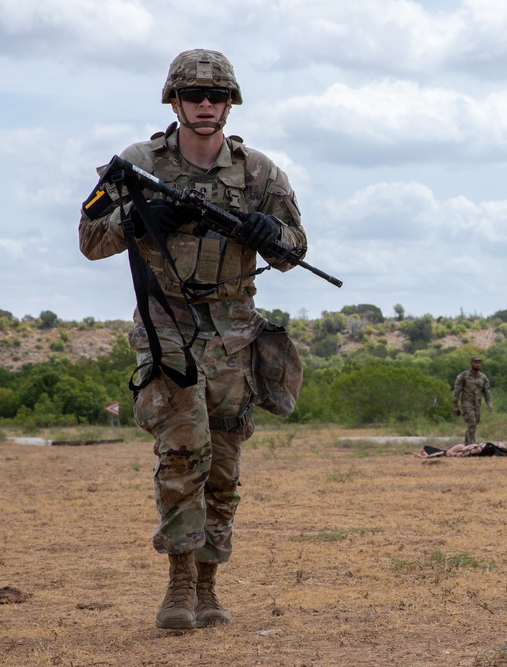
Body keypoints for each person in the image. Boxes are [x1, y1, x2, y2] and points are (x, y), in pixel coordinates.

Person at [78, 49, 306, 630]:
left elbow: (295, 251)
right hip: (166, 327)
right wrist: (145, 216)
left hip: (234, 333)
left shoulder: (259, 172)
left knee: (224, 467)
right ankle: (177, 585)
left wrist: (269, 231)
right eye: (194, 96)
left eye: (217, 97)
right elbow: (90, 239)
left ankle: (208, 587)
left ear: (230, 103)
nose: (206, 106)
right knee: (182, 451)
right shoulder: (135, 164)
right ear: (173, 100)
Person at [452, 356, 493, 445]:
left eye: (479, 362)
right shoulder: (463, 376)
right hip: (467, 403)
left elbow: (486, 391)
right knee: (472, 423)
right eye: (476, 362)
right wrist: (455, 405)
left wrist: (489, 403)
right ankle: (472, 445)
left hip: (477, 405)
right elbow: (457, 390)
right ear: (471, 364)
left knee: (474, 423)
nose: (478, 364)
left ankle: (466, 445)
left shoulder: (483, 377)